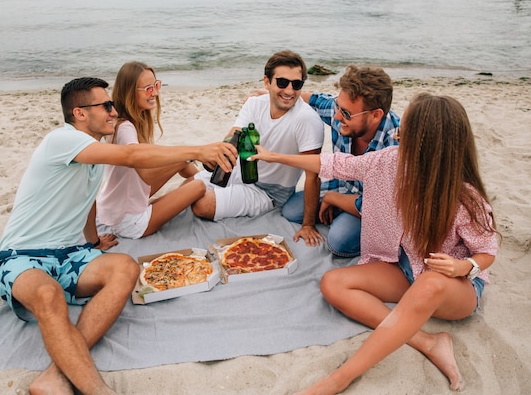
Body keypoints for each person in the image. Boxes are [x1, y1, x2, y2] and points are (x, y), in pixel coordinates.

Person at [0, 77, 236, 395]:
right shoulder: (62, 140)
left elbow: (87, 201)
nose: (113, 111)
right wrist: (199, 149)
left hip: (71, 253)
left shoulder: (94, 155)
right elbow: (133, 156)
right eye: (106, 105)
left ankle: (54, 375)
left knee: (126, 268)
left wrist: (92, 241)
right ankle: (98, 390)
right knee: (48, 296)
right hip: (22, 254)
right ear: (79, 113)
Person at [251, 93, 498, 394]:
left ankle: (337, 380)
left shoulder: (465, 196)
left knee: (431, 283)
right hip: (406, 268)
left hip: (454, 287)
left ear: (427, 144)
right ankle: (426, 340)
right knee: (333, 283)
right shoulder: (390, 161)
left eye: (402, 133)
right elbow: (332, 163)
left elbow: (486, 252)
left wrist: (463, 266)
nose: (396, 137)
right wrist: (275, 156)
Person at [191, 50, 325, 246]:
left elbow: (313, 174)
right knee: (187, 188)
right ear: (266, 82)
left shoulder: (307, 119)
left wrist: (308, 224)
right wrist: (217, 154)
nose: (289, 91)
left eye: (296, 84)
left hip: (269, 191)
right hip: (239, 171)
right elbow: (233, 135)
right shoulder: (255, 104)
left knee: (201, 205)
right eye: (282, 82)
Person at [282, 64, 400, 257]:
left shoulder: (394, 146)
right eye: (338, 106)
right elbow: (313, 100)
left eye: (345, 113)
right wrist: (264, 94)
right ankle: (338, 212)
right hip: (342, 185)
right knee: (291, 211)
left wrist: (333, 199)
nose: (337, 116)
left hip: (372, 205)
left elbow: (383, 208)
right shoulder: (342, 111)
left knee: (339, 242)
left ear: (375, 115)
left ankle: (340, 213)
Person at [96, 62, 203, 239]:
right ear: (130, 92)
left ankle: (203, 178)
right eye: (147, 89)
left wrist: (184, 160)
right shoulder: (125, 129)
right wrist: (192, 155)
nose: (154, 93)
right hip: (129, 222)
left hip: (114, 210)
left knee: (183, 163)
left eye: (156, 85)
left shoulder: (123, 123)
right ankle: (205, 181)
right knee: (198, 186)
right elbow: (146, 172)